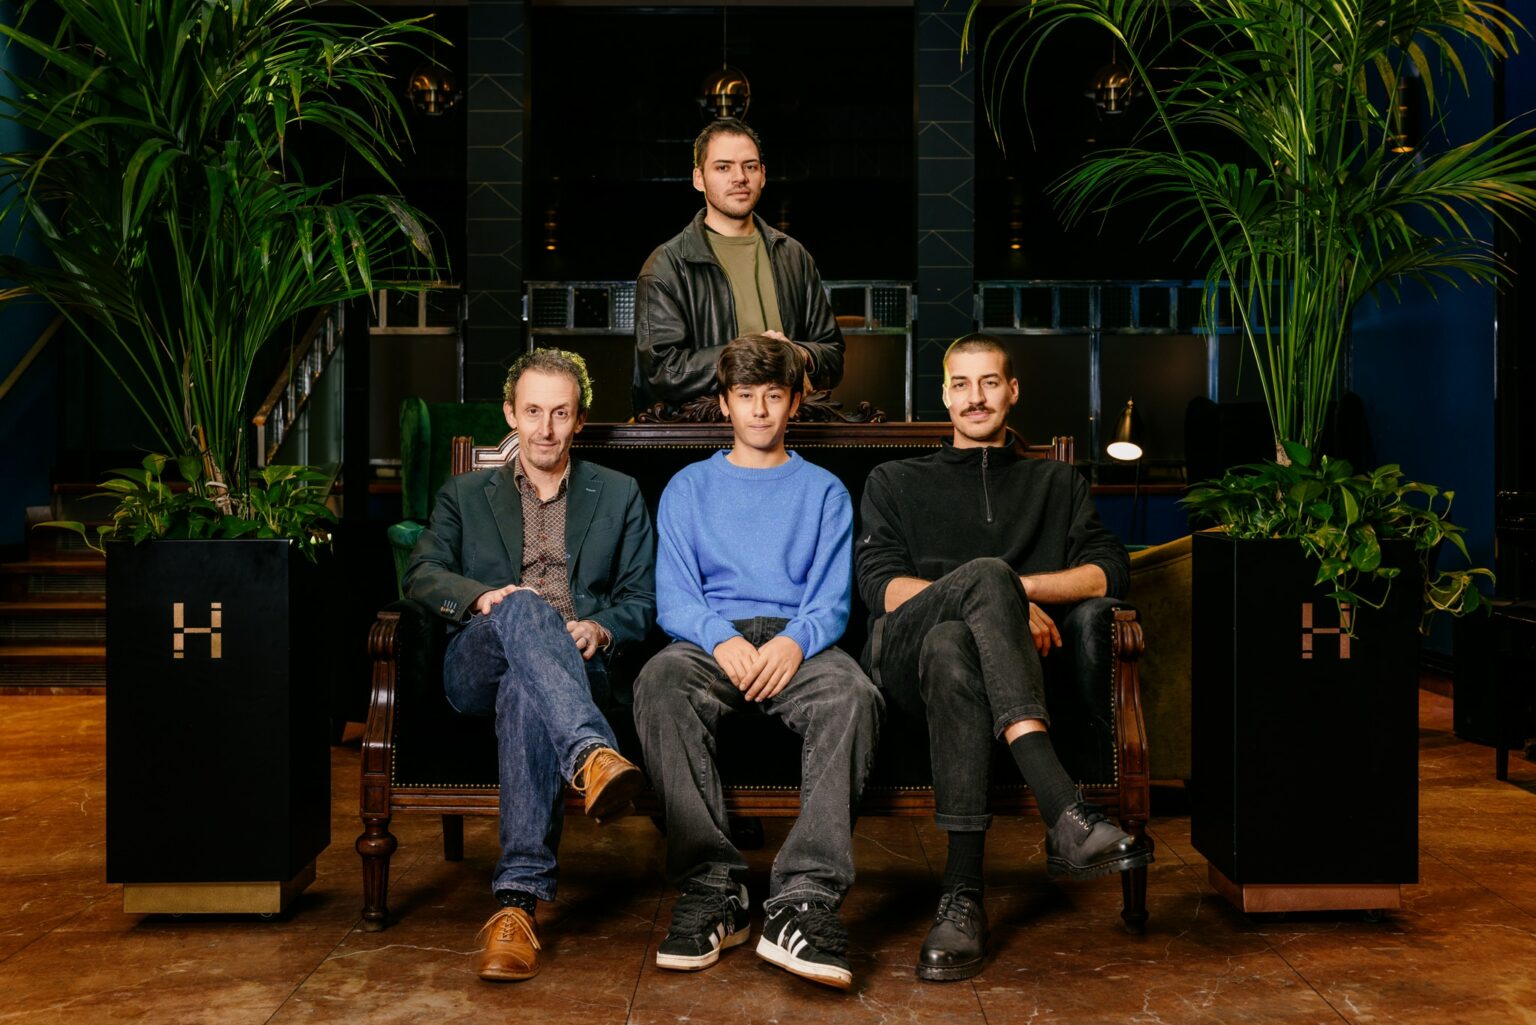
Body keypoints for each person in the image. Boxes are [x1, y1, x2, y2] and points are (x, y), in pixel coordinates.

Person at [854, 333, 1153, 982]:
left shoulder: (1056, 481)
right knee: (974, 593)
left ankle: (962, 897)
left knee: (953, 645)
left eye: (989, 382)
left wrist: (1019, 592)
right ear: (943, 395)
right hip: (900, 663)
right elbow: (881, 587)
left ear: (1012, 391)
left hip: (981, 667)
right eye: (961, 384)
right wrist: (990, 591)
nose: (976, 397)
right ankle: (1063, 807)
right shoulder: (895, 480)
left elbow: (1109, 571)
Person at [633, 334, 882, 991]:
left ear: (795, 402)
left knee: (853, 695)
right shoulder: (688, 487)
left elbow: (831, 601)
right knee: (659, 680)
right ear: (724, 402)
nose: (761, 410)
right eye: (746, 396)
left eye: (774, 396)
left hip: (799, 642)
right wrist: (720, 639)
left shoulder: (825, 491)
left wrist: (794, 641)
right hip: (712, 642)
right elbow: (675, 597)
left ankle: (805, 897)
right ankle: (714, 886)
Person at [403, 349, 657, 983]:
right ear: (510, 414)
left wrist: (599, 627)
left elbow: (643, 599)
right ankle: (591, 754)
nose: (546, 428)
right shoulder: (464, 493)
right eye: (534, 411)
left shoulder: (618, 493)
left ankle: (516, 905)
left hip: (574, 665)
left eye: (561, 414)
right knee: (523, 606)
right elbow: (422, 572)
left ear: (580, 419)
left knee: (527, 687)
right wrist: (483, 599)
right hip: (477, 657)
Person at [633, 118, 844, 414]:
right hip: (702, 433)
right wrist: (753, 355)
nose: (740, 177)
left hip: (789, 428)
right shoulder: (667, 265)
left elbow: (833, 356)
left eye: (750, 166)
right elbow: (662, 372)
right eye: (723, 167)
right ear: (699, 178)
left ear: (763, 175)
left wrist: (799, 354)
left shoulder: (793, 256)